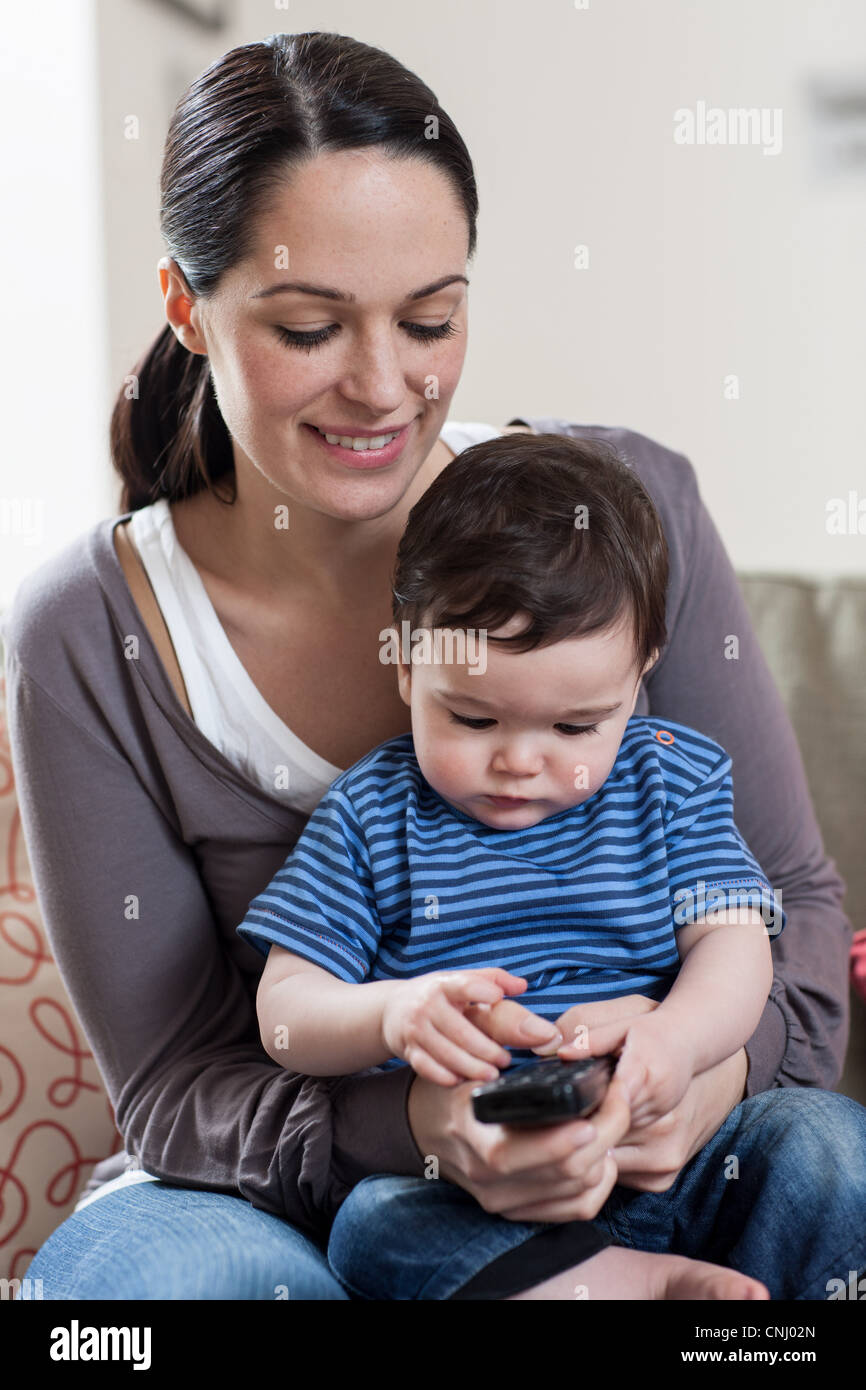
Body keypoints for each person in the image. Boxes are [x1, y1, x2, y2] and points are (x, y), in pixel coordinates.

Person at [4, 31, 863, 1302]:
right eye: (307, 326)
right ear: (187, 306)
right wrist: (423, 1127)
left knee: (821, 1163)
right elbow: (183, 1083)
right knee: (174, 1299)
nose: (381, 386)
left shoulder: (623, 515)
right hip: (270, 1202)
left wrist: (682, 1078)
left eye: (429, 319)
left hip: (642, 1144)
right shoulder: (86, 633)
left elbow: (785, 919)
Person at [238, 431, 785, 1300]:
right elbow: (284, 1012)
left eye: (574, 728)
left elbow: (736, 944)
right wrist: (394, 1014)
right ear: (407, 664)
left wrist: (678, 1041)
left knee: (824, 1143)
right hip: (473, 1187)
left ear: (641, 674)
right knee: (372, 1224)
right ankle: (616, 1285)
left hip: (671, 1147)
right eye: (475, 720)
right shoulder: (372, 817)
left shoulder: (671, 780)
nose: (520, 763)